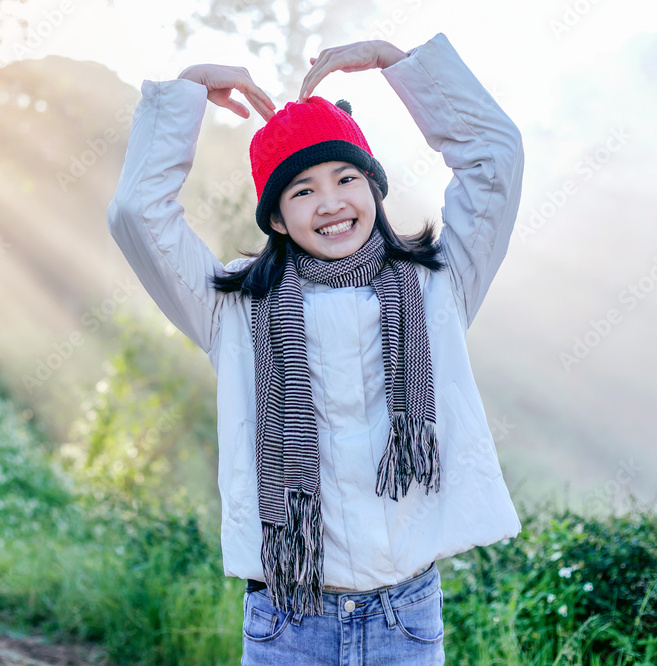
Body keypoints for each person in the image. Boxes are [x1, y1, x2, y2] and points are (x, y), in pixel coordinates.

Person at [107, 32, 524, 664]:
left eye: (346, 177)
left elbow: (496, 157)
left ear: (373, 188)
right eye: (301, 191)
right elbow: (137, 213)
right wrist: (187, 89)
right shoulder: (233, 309)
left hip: (405, 621)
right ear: (275, 218)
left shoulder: (441, 284)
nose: (331, 203)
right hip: (287, 623)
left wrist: (400, 65)